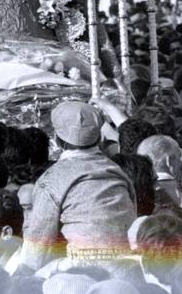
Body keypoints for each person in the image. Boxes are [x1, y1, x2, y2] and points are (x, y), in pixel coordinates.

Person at [20, 101, 136, 270]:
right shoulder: (117, 171)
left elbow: (39, 242)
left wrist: (22, 274)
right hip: (126, 262)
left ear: (57, 139)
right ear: (99, 137)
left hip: (82, 267)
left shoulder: (52, 178)